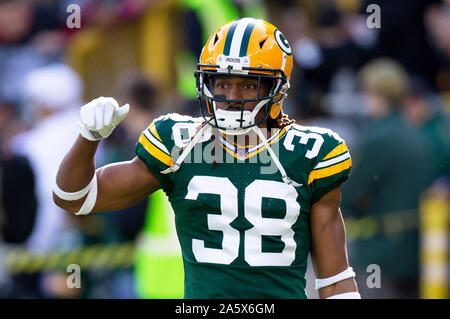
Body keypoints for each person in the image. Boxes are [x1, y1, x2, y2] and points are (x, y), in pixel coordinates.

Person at [54, 18, 359, 299]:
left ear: (275, 89)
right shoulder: (179, 142)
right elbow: (74, 197)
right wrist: (88, 138)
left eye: (248, 84)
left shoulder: (310, 153)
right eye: (223, 83)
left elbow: (335, 279)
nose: (231, 96)